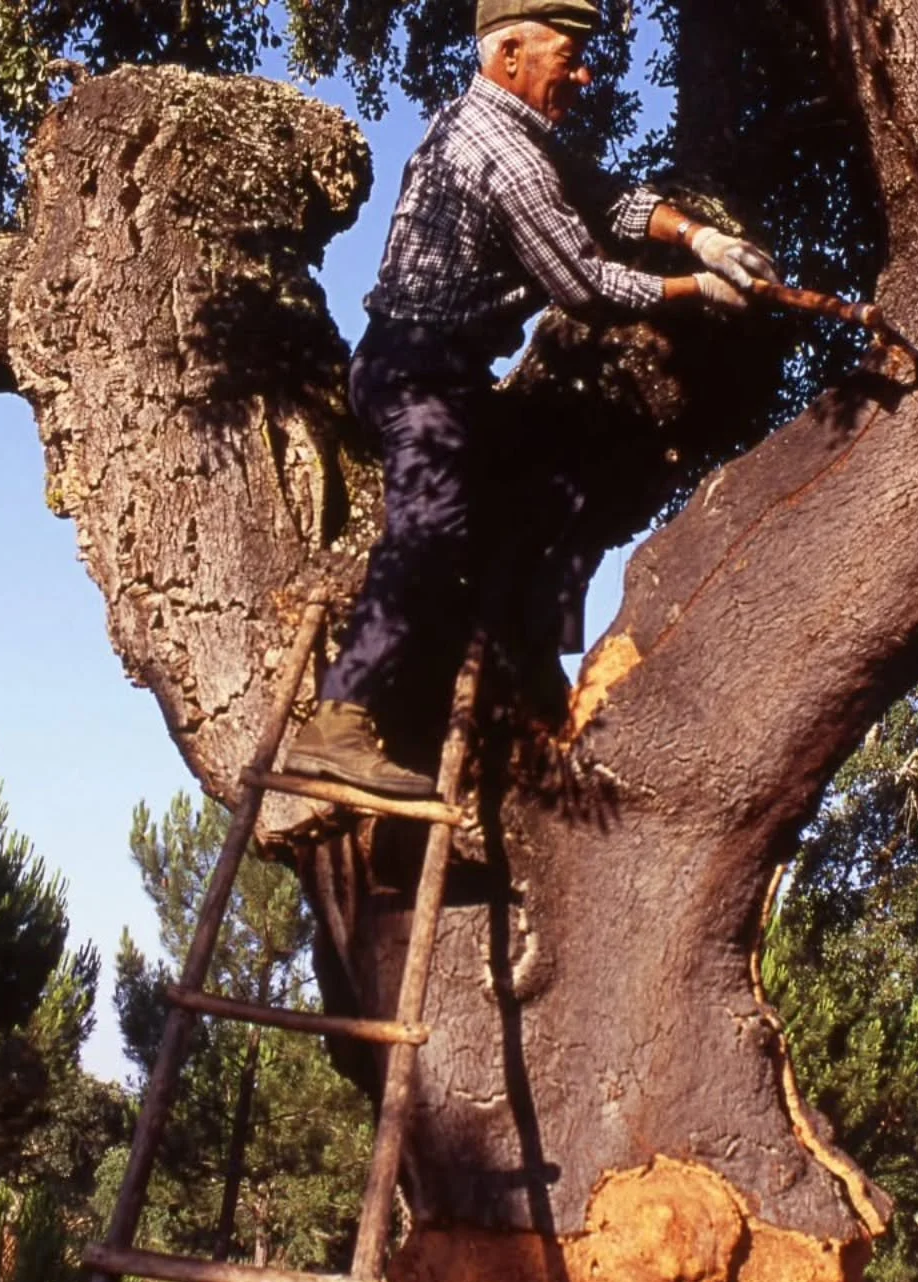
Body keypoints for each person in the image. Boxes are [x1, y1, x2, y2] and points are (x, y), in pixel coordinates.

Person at [286, 0, 779, 798]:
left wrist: (698, 235)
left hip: (450, 377)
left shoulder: (512, 135)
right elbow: (585, 286)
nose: (585, 74)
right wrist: (700, 287)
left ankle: (527, 646)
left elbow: (603, 192)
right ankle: (339, 720)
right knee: (433, 525)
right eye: (571, 55)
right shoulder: (503, 160)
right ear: (510, 52)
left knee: (566, 478)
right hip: (415, 375)